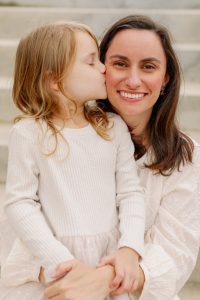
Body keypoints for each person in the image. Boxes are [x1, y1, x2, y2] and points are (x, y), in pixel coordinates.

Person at [43, 15, 200, 300]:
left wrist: (105, 279)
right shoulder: (60, 138)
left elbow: (175, 255)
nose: (133, 79)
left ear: (165, 78)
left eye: (149, 67)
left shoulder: (187, 157)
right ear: (101, 68)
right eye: (120, 63)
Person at [0, 21, 146, 299]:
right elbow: (20, 202)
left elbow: (130, 192)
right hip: (55, 260)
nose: (104, 69)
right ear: (55, 80)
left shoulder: (112, 128)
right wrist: (58, 259)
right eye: (92, 62)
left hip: (108, 260)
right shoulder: (29, 134)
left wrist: (130, 248)